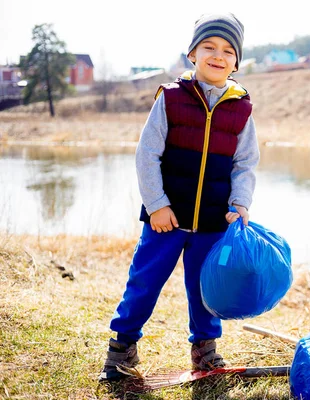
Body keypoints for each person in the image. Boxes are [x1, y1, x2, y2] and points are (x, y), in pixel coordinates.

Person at [99, 12, 260, 381]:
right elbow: (147, 154)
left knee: (206, 291)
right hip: (165, 220)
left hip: (212, 222)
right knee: (144, 283)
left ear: (237, 61)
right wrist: (156, 204)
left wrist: (240, 204)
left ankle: (205, 352)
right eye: (209, 47)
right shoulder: (171, 98)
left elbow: (246, 162)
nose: (218, 55)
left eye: (227, 50)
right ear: (192, 53)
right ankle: (121, 350)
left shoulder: (241, 107)